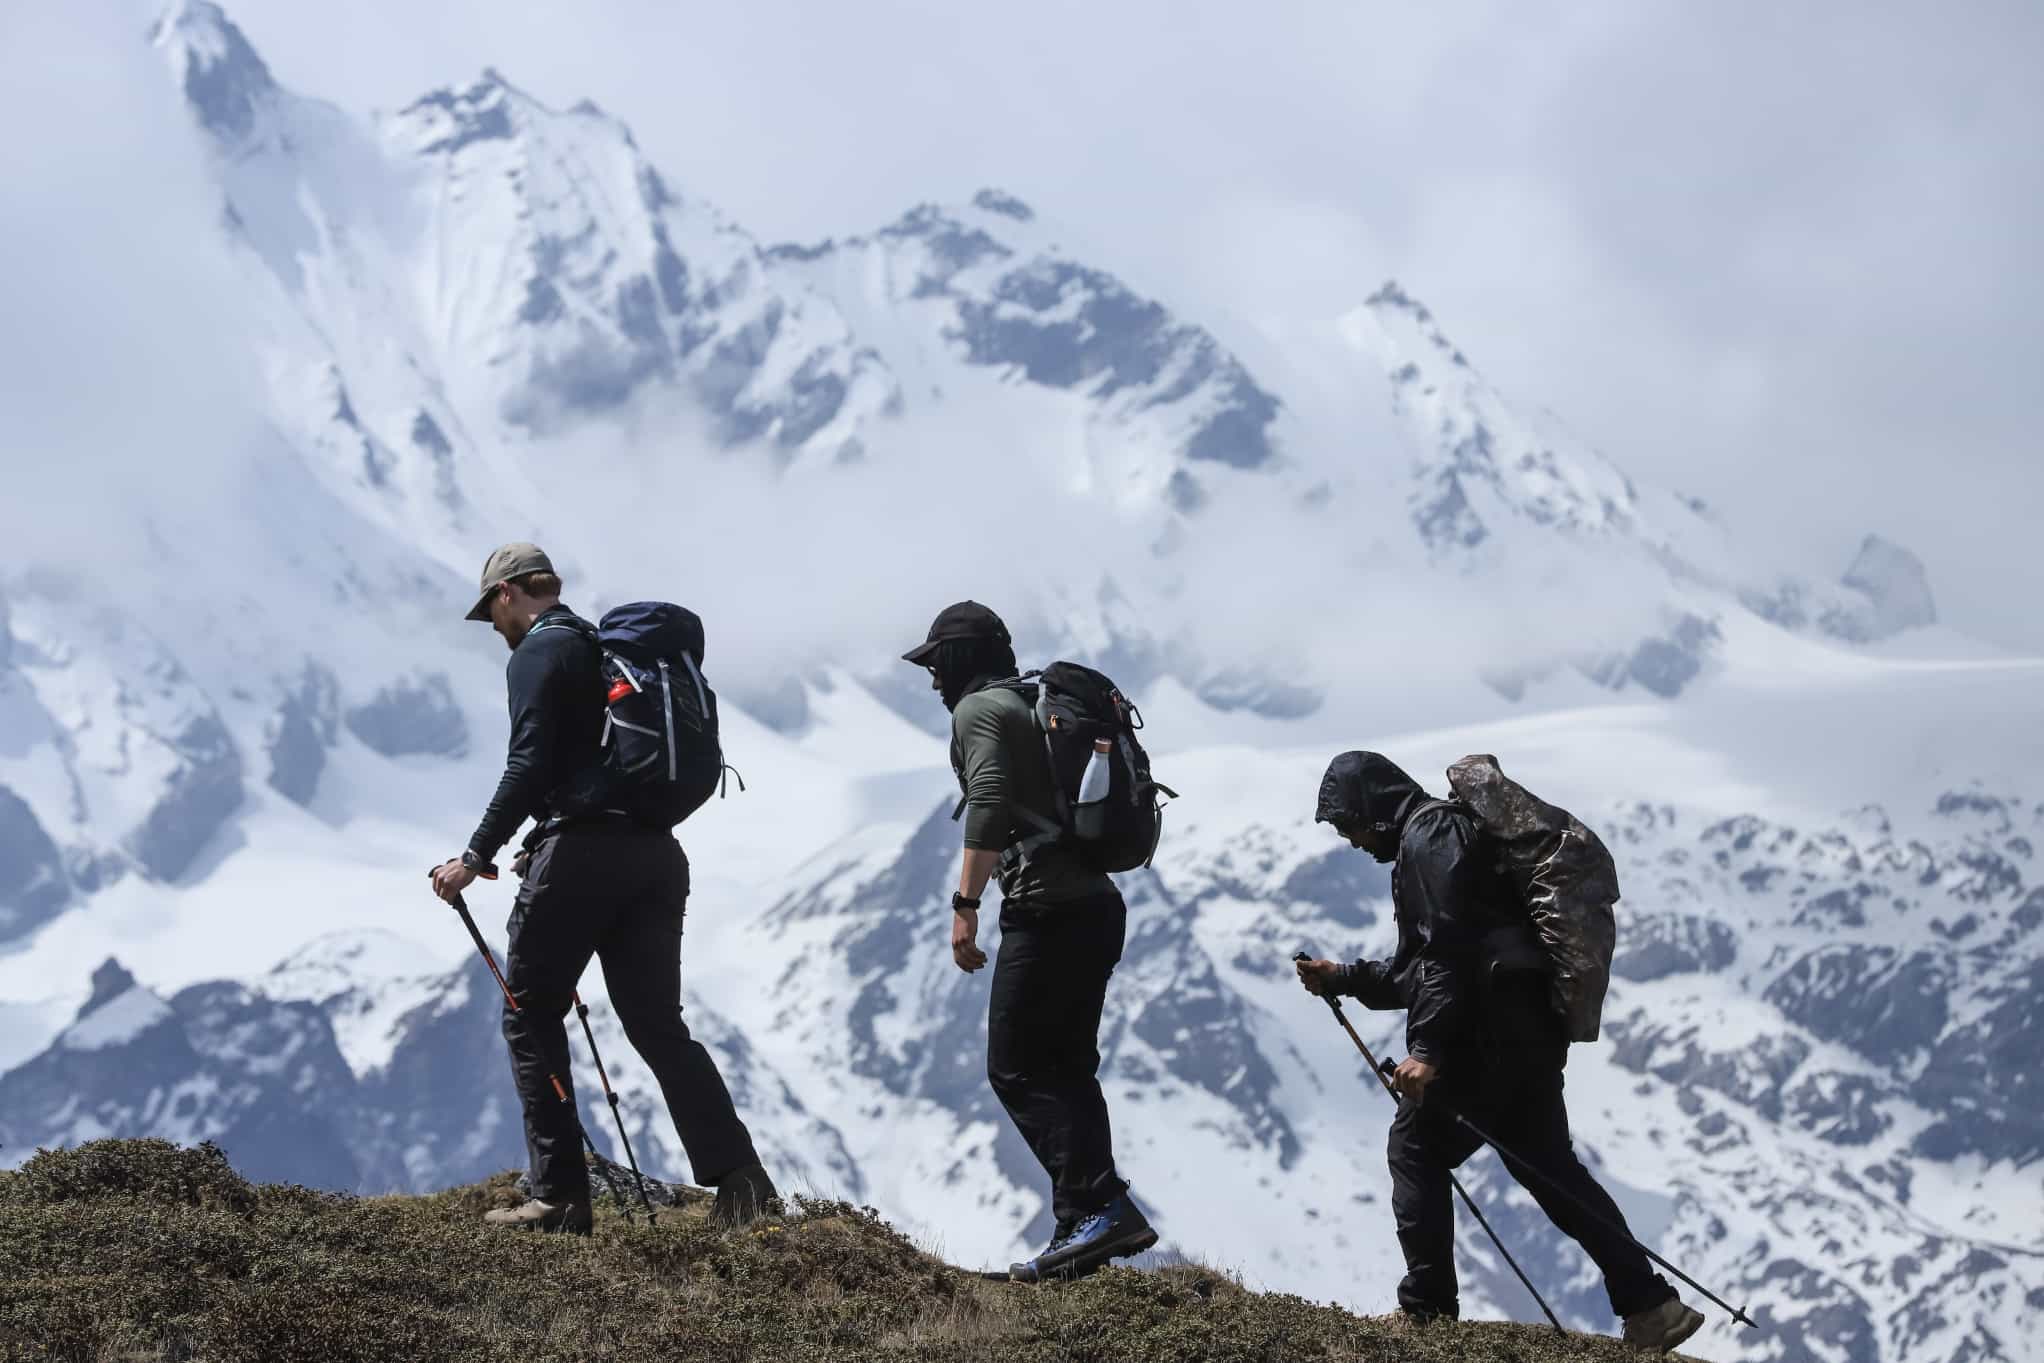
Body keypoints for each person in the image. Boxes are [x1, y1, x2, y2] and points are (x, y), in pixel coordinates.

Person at [1293, 751, 1704, 1354]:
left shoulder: (1427, 838)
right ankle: (1650, 1306)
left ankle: (1428, 1312)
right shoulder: (1445, 834)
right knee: (1549, 1167)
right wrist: (1345, 977)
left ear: (1371, 809)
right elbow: (1427, 965)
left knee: (1416, 1146)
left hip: (1483, 1039)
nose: (1351, 840)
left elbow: (1444, 956)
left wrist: (1429, 1051)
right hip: (1529, 1032)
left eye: (1348, 825)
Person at [430, 542, 777, 1233]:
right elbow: (598, 765)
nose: (495, 628)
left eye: (491, 612)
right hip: (654, 855)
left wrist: (476, 854)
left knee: (529, 1011)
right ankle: (743, 1184)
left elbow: (528, 763)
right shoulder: (607, 650)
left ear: (507, 595)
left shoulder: (537, 653)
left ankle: (558, 1195)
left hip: (582, 858)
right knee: (656, 1024)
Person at [901, 601, 1157, 1282]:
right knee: (1067, 1067)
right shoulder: (1030, 704)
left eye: (936, 665)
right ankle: (1088, 1222)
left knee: (1015, 1065)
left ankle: (1097, 1208)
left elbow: (986, 797)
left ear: (958, 659)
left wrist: (965, 903)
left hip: (1048, 908)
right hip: (1098, 906)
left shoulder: (980, 710)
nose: (932, 682)